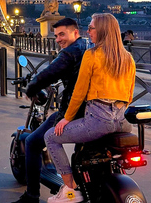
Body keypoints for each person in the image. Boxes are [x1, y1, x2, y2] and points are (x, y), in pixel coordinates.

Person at [44, 13, 136, 203]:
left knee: (51, 137)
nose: (88, 31)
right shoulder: (127, 57)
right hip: (123, 123)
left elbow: (79, 91)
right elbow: (129, 95)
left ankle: (70, 190)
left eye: (92, 28)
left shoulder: (92, 55)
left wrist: (66, 118)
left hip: (98, 121)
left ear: (101, 31)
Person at [12, 18, 88, 203]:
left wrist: (31, 88)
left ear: (75, 33)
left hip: (73, 111)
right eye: (56, 35)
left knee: (32, 142)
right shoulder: (88, 46)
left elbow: (50, 72)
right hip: (94, 109)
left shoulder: (70, 53)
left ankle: (32, 196)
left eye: (62, 34)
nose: (58, 39)